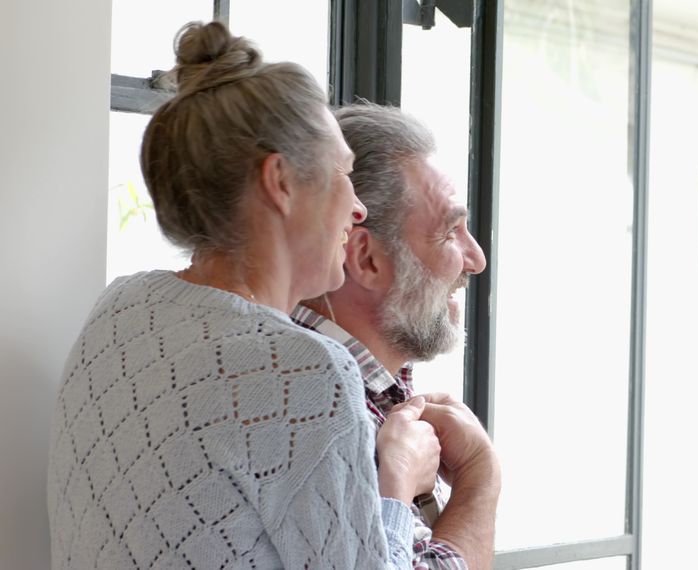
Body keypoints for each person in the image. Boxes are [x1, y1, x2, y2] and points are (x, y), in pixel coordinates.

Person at [47, 22, 439, 570]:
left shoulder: (118, 310)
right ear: (279, 181)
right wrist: (397, 483)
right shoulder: (306, 371)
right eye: (344, 174)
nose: (358, 208)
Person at [291, 103, 500, 570]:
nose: (476, 258)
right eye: (450, 231)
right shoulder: (322, 408)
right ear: (366, 259)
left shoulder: (372, 392)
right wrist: (478, 480)